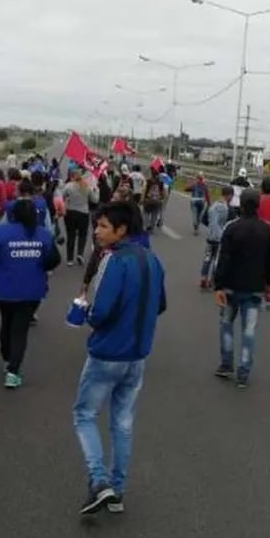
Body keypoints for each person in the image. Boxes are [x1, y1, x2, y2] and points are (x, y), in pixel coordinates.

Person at [72, 201, 166, 515]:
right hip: (137, 354)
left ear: (121, 230)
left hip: (107, 352)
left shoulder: (114, 261)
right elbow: (160, 304)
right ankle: (118, 490)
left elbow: (100, 313)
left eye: (102, 226)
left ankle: (99, 481)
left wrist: (86, 312)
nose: (96, 231)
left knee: (84, 415)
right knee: (122, 424)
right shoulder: (153, 260)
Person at [212, 190, 270, 388]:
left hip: (231, 287)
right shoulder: (268, 230)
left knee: (226, 325)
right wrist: (269, 283)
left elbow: (222, 259)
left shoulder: (231, 228)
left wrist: (219, 285)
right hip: (255, 288)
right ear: (258, 205)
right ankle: (244, 371)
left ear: (240, 204)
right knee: (249, 331)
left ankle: (226, 364)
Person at [0, 199, 60, 388]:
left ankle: (7, 359)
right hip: (32, 289)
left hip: (5, 287)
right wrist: (40, 267)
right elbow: (54, 259)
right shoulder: (43, 235)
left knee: (7, 323)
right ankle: (13, 371)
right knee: (20, 329)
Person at [62, 169, 97, 266]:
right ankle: (80, 253)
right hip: (83, 213)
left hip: (70, 212)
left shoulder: (68, 186)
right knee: (82, 234)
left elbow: (62, 196)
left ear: (72, 176)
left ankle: (70, 259)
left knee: (71, 235)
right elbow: (94, 200)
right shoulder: (86, 186)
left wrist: (67, 200)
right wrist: (96, 189)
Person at [199, 186, 231, 290]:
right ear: (228, 195)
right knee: (217, 260)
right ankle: (212, 280)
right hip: (220, 238)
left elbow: (206, 220)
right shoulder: (225, 207)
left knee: (207, 258)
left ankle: (203, 278)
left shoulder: (213, 205)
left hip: (210, 237)